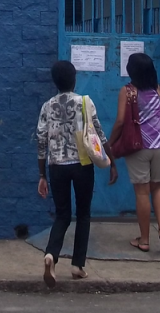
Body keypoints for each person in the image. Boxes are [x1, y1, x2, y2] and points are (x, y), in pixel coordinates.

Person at [36, 59, 109, 286]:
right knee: (84, 213)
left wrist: (42, 175)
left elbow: (41, 141)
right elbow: (98, 132)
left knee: (62, 214)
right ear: (74, 79)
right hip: (82, 164)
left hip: (56, 165)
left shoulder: (47, 106)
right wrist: (111, 160)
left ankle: (51, 255)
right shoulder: (85, 103)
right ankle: (77, 265)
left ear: (54, 82)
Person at [107, 52, 160, 252]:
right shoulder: (156, 88)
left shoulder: (127, 91)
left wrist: (110, 143)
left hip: (139, 146)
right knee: (159, 188)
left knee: (142, 192)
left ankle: (144, 240)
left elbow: (120, 121)